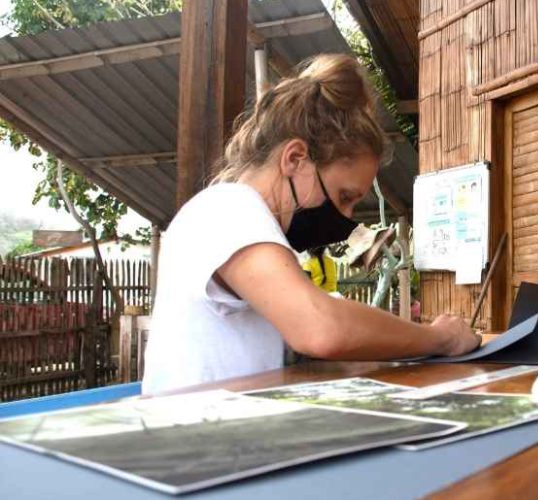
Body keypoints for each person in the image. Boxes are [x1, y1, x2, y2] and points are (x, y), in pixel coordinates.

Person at [142, 54, 480, 394]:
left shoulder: (249, 223)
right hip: (191, 437)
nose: (346, 216)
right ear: (295, 158)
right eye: (344, 195)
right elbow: (320, 328)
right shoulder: (229, 208)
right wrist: (440, 338)